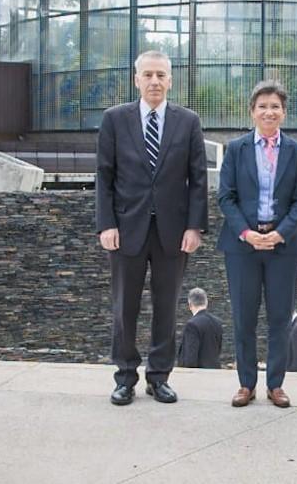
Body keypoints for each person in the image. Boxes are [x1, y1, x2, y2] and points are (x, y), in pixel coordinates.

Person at [95, 50, 208, 406]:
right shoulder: (114, 120)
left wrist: (195, 227)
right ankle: (125, 377)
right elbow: (104, 177)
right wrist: (106, 224)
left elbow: (199, 180)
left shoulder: (188, 122)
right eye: (148, 75)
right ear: (137, 80)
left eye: (161, 75)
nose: (155, 81)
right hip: (126, 229)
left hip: (173, 233)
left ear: (170, 80)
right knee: (124, 308)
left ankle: (159, 377)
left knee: (166, 307)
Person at [217, 80, 297, 409]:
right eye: (262, 106)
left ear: (283, 113)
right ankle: (246, 384)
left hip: (283, 246)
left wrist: (280, 232)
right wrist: (247, 233)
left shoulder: (296, 151)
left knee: (279, 317)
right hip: (242, 246)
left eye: (275, 106)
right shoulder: (236, 149)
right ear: (252, 112)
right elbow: (225, 197)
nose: (269, 112)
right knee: (243, 317)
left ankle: (275, 384)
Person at [178, 287, 223, 369]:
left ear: (190, 305)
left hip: (198, 376)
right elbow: (218, 349)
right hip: (215, 373)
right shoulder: (218, 322)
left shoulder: (191, 325)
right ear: (206, 302)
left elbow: (190, 358)